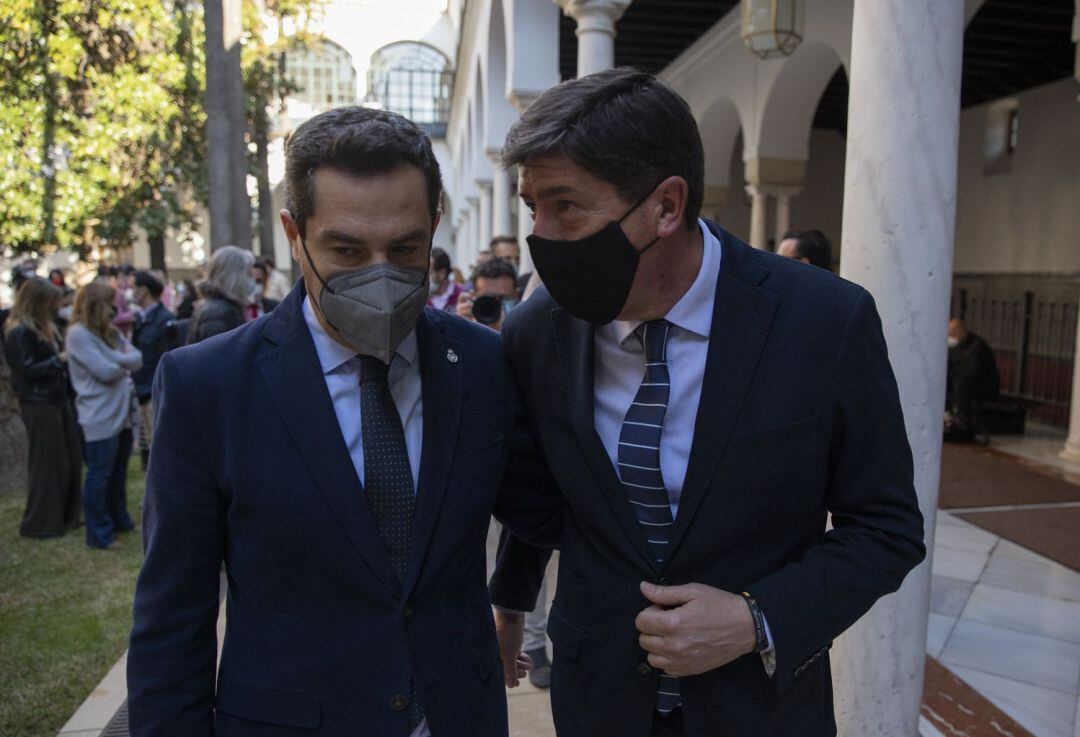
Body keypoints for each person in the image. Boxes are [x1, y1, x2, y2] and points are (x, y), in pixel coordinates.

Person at [488, 68, 925, 737]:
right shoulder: (536, 331)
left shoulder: (823, 322)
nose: (541, 237)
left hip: (762, 707)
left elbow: (886, 530)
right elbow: (538, 482)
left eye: (566, 207)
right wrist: (510, 595)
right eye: (532, 209)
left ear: (666, 206)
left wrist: (757, 618)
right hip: (598, 699)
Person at [128, 106, 530, 737]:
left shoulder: (481, 364)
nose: (380, 272)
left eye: (404, 248)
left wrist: (514, 599)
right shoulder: (208, 385)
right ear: (294, 235)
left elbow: (543, 504)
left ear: (434, 228)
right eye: (345, 249)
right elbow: (172, 620)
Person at [2, 277, 82, 538]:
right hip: (39, 403)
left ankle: (66, 516)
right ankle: (42, 523)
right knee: (47, 464)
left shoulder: (44, 328)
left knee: (68, 459)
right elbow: (25, 371)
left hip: (55, 400)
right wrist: (58, 361)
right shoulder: (19, 332)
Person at [66, 281, 142, 549]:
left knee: (118, 472)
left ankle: (120, 520)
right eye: (109, 304)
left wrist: (116, 361)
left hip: (121, 413)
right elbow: (105, 371)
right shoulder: (78, 334)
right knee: (100, 474)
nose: (113, 310)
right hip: (98, 414)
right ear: (96, 305)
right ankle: (99, 533)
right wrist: (118, 361)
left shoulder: (108, 332)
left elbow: (137, 358)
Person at [131, 271, 174, 468]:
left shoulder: (164, 319)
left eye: (134, 288)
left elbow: (165, 356)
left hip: (153, 387)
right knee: (147, 440)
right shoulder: (141, 318)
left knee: (158, 441)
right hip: (142, 386)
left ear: (144, 291)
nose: (131, 293)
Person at [186, 246, 255, 344]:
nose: (252, 278)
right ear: (234, 277)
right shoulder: (215, 312)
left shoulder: (227, 305)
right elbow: (214, 354)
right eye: (248, 273)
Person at [945, 317, 1000, 439]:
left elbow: (973, 372)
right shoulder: (956, 348)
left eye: (952, 335)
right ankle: (948, 415)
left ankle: (964, 423)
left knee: (961, 385)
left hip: (984, 387)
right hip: (964, 382)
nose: (950, 339)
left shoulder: (978, 347)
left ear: (960, 332)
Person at [455, 258, 519, 333]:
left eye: (502, 298)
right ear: (473, 296)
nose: (495, 307)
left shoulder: (527, 328)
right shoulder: (466, 324)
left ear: (516, 295)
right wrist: (460, 328)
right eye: (488, 299)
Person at [427, 246, 465, 313]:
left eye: (428, 273)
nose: (423, 278)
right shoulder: (421, 300)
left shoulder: (462, 295)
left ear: (442, 273)